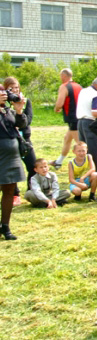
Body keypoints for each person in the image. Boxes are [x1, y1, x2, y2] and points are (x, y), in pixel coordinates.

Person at [0, 87, 28, 240]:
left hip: (12, 156)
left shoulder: (7, 110)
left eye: (4, 92)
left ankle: (5, 226)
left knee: (9, 191)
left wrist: (18, 110)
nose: (4, 94)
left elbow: (22, 124)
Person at [3, 77, 35, 207]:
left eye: (16, 87)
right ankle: (15, 194)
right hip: (9, 140)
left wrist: (18, 112)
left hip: (24, 139)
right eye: (11, 88)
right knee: (12, 169)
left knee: (32, 165)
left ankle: (31, 190)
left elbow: (28, 120)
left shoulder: (25, 101)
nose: (15, 90)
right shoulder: (3, 103)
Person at [51, 68, 82, 170]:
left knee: (80, 144)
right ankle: (59, 162)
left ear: (64, 76)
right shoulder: (79, 86)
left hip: (72, 117)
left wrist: (56, 109)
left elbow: (59, 103)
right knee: (67, 139)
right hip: (80, 116)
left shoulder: (64, 86)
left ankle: (87, 165)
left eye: (60, 76)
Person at [76, 77, 97, 171]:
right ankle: (96, 172)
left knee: (84, 149)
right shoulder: (96, 95)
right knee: (94, 150)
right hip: (91, 122)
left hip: (80, 122)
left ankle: (85, 170)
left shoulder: (83, 91)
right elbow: (95, 112)